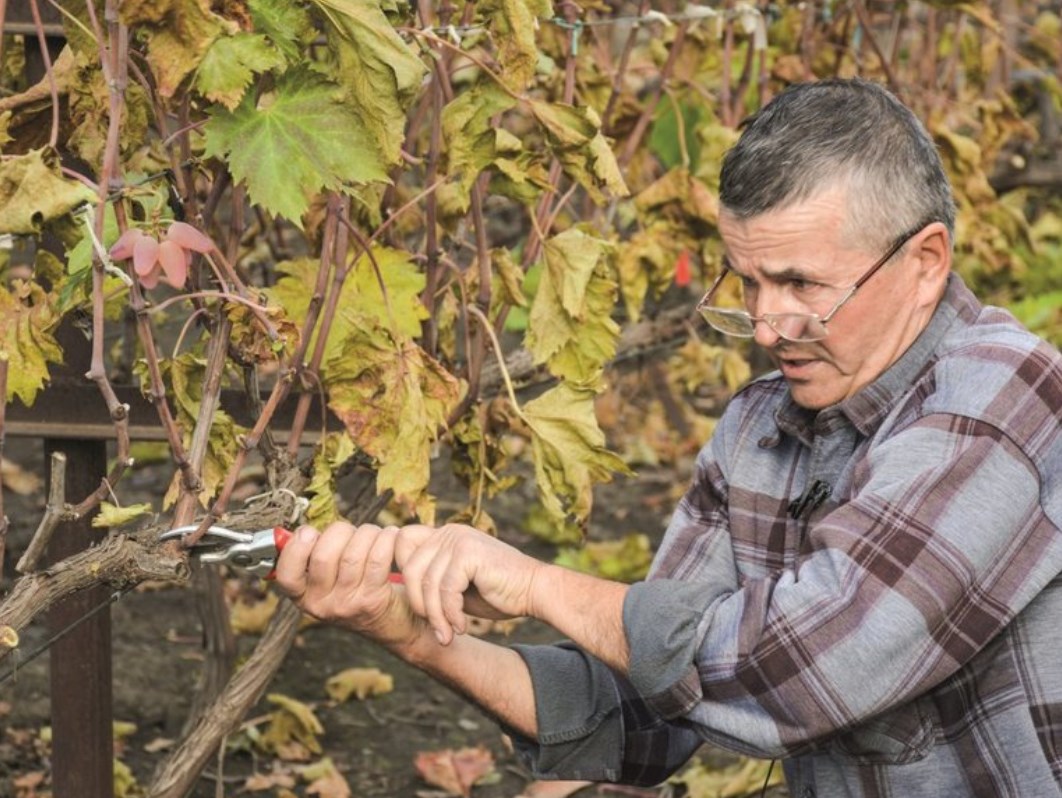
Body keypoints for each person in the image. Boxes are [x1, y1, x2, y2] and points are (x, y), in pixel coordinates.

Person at [275, 78, 1062, 797]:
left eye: (802, 286)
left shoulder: (1003, 400)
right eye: (747, 284)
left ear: (925, 262)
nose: (763, 326)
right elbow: (645, 716)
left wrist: (535, 583)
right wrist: (415, 637)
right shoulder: (760, 428)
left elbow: (804, 669)